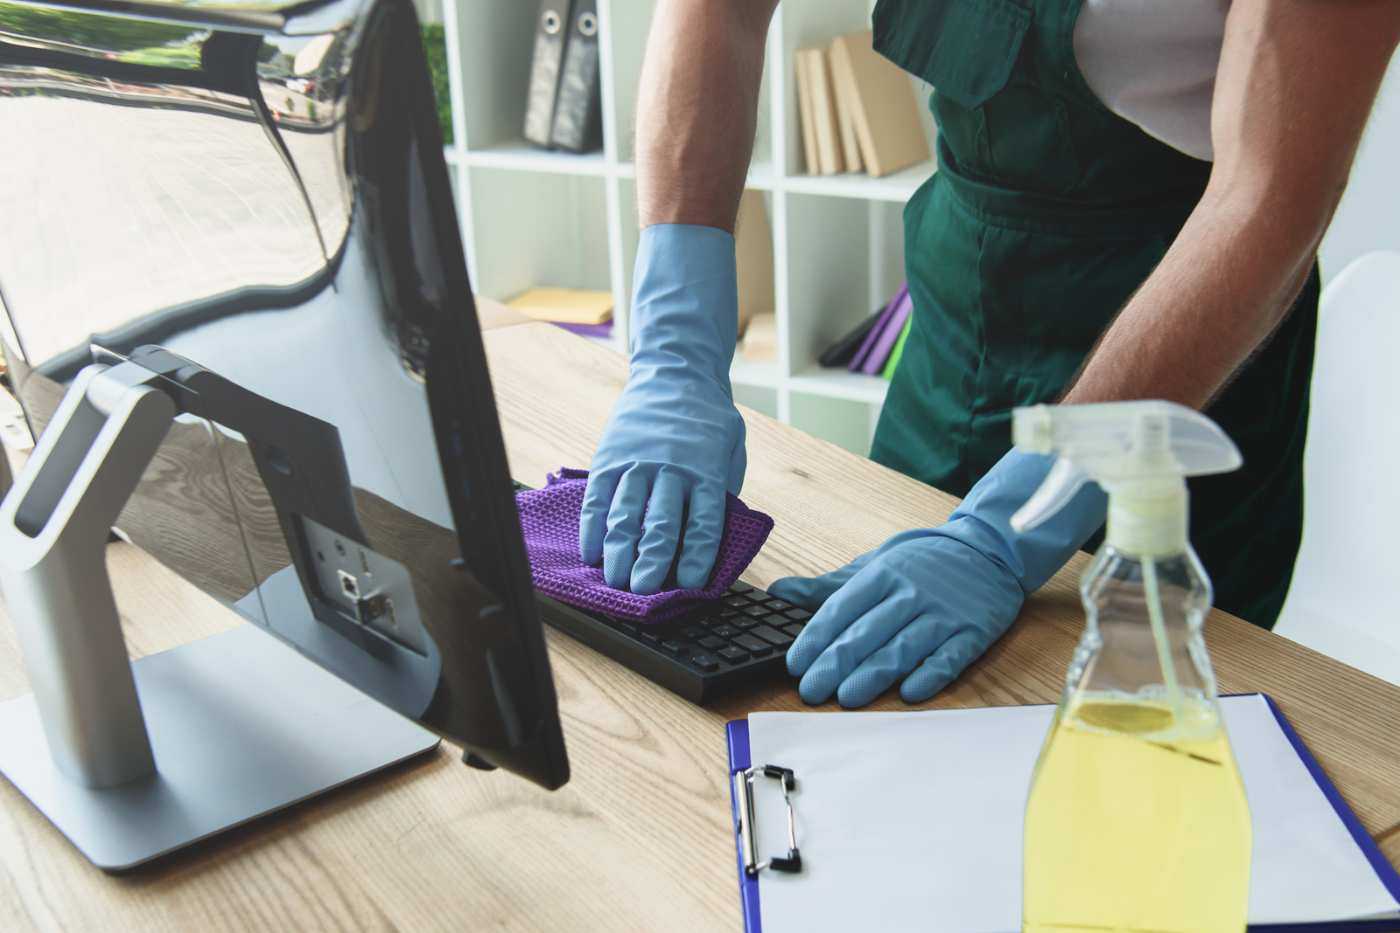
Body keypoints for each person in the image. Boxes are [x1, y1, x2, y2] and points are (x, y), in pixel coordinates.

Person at [579, 0, 1400, 708]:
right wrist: (675, 353)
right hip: (958, 317)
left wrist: (1018, 523)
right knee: (866, 709)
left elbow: (1270, 195)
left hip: (1183, 359)